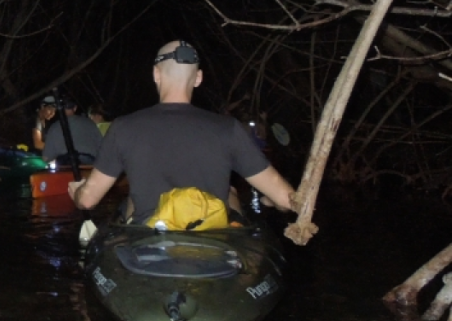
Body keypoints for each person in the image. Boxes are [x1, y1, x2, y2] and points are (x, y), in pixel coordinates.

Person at [69, 40, 295, 222]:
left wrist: (77, 192)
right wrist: (271, 201)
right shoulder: (229, 128)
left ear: (156, 74)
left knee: (132, 201)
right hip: (212, 244)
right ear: (198, 78)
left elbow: (88, 201)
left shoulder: (123, 127)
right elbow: (288, 200)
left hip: (150, 245)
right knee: (231, 193)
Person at [42, 97, 103, 166]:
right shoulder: (90, 123)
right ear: (75, 108)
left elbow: (46, 157)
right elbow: (102, 149)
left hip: (65, 167)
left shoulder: (54, 127)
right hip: (89, 167)